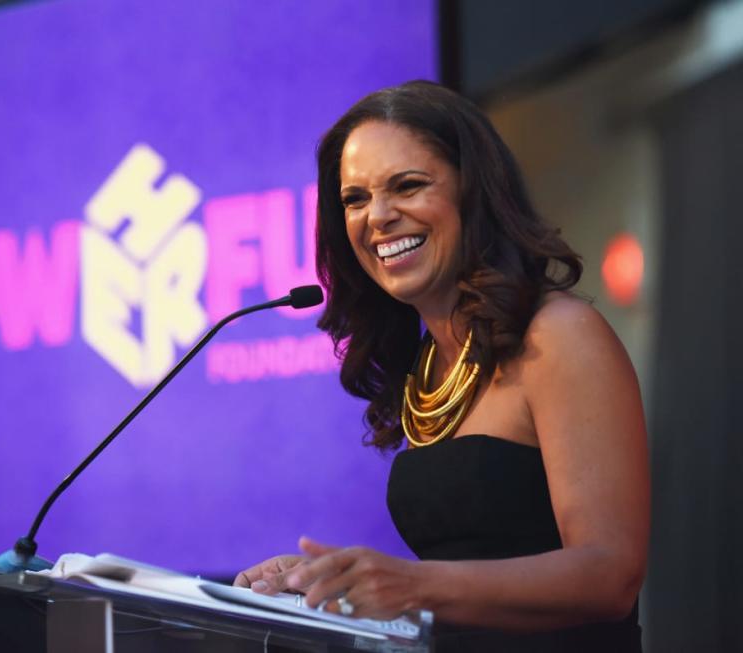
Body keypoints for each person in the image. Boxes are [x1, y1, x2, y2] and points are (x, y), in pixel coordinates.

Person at [234, 80, 649, 652]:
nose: (377, 217)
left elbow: (611, 576)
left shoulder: (558, 336)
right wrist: (328, 587)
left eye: (407, 186)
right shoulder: (427, 366)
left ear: (472, 193)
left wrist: (412, 584)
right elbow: (478, 567)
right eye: (355, 199)